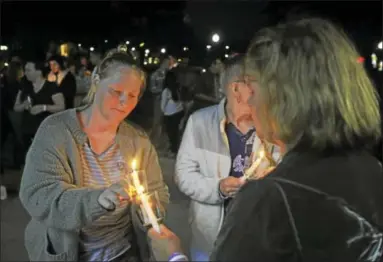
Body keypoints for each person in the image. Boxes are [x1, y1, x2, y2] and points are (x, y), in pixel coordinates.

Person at [148, 18, 383, 262]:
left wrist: (173, 256)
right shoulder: (372, 171)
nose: (250, 102)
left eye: (254, 89)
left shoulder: (271, 197)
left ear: (285, 98)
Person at [19, 49, 169, 261]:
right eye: (116, 92)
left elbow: (157, 191)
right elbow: (38, 194)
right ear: (97, 81)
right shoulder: (57, 131)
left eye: (133, 95)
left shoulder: (138, 140)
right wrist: (98, 200)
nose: (124, 102)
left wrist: (149, 207)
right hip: (74, 253)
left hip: (124, 252)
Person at [175, 54, 281, 260]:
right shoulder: (200, 123)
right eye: (259, 86)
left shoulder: (270, 125)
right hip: (209, 240)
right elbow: (183, 175)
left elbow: (284, 169)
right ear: (236, 89)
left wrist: (267, 175)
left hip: (256, 236)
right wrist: (218, 188)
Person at [14, 58, 66, 162]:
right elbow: (16, 107)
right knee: (31, 160)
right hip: (28, 129)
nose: (26, 73)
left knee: (46, 160)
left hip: (46, 130)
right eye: (25, 70)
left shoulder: (51, 86)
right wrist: (24, 105)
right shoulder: (24, 87)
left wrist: (43, 107)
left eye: (29, 70)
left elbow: (61, 106)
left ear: (38, 71)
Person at [161, 70, 184, 157]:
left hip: (169, 114)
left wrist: (163, 112)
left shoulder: (166, 91)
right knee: (176, 133)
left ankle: (173, 151)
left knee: (171, 133)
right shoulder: (177, 88)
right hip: (179, 112)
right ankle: (175, 150)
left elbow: (163, 105)